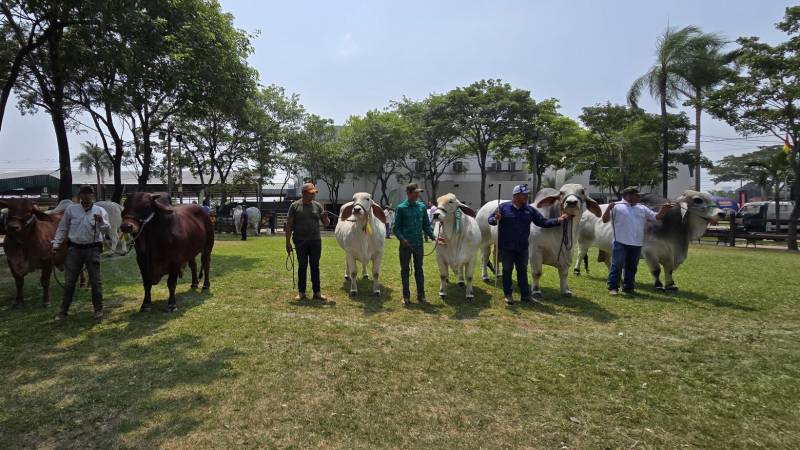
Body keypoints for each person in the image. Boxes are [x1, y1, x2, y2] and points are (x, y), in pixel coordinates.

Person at [488, 184, 568, 305]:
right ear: (515, 196)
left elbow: (542, 222)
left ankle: (525, 295)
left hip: (522, 247)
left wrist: (558, 220)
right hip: (506, 247)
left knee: (522, 271)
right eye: (524, 195)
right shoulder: (503, 207)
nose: (526, 196)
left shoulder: (529, 210)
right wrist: (496, 219)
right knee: (507, 270)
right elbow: (491, 220)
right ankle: (508, 295)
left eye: (527, 194)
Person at [52, 185, 110, 321]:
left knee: (95, 281)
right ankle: (63, 310)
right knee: (69, 282)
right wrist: (55, 244)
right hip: (74, 249)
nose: (86, 196)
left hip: (92, 249)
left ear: (93, 195)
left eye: (89, 193)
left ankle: (98, 309)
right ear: (80, 195)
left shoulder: (100, 211)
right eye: (84, 193)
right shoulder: (71, 210)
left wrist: (101, 221)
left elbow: (107, 230)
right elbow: (62, 228)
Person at [602, 186, 674, 296]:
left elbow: (657, 217)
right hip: (620, 242)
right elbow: (604, 219)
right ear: (628, 195)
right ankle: (613, 287)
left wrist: (664, 209)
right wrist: (608, 208)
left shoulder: (642, 208)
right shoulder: (616, 206)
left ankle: (628, 287)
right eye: (637, 195)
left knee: (631, 267)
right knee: (617, 265)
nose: (639, 197)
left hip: (637, 244)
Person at [393, 183, 436, 305]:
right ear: (408, 193)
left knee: (419, 270)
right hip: (405, 246)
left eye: (418, 193)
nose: (418, 195)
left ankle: (421, 296)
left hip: (418, 244)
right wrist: (402, 239)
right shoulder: (401, 208)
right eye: (415, 192)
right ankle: (406, 297)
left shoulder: (422, 207)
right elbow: (396, 228)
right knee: (405, 270)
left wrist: (434, 237)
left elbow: (426, 226)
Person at [285, 182, 330, 301]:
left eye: (314, 193)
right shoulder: (294, 206)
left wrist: (325, 218)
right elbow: (289, 225)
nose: (313, 195)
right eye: (311, 193)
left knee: (315, 266)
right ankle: (301, 293)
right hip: (300, 241)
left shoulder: (318, 206)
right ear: (303, 193)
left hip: (315, 241)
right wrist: (287, 243)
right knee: (302, 266)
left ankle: (317, 292)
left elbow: (326, 224)